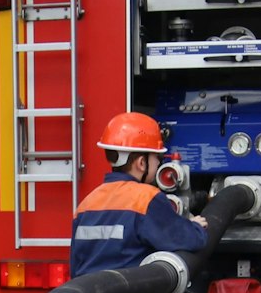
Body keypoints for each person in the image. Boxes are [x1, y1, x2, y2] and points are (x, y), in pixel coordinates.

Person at [68, 111, 208, 277]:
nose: (159, 163)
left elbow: (76, 266)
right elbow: (188, 240)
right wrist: (196, 227)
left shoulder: (86, 204)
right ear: (142, 163)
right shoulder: (146, 199)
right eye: (158, 158)